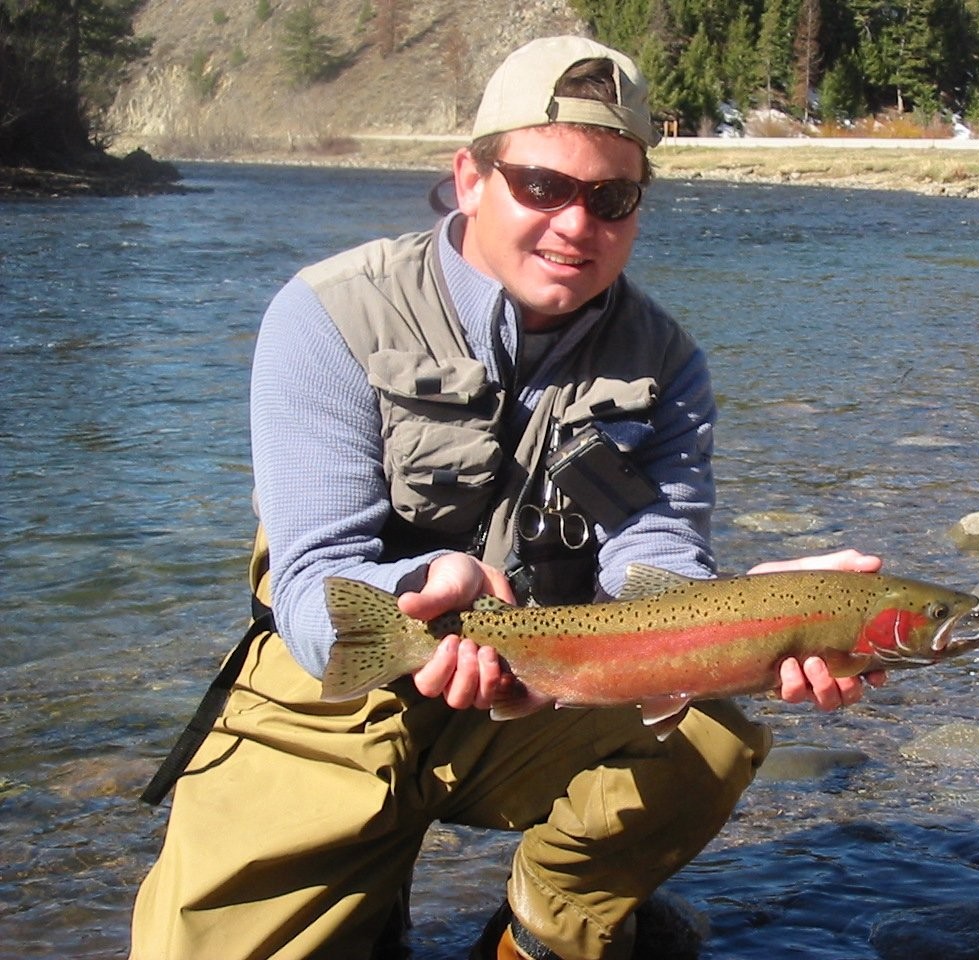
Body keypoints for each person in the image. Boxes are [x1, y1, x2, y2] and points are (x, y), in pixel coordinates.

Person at [129, 34, 883, 960]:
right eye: (543, 186)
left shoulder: (667, 361)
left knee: (709, 740)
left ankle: (540, 927)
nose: (577, 224)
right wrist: (419, 596)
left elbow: (659, 563)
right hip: (325, 695)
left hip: (554, 674)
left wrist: (762, 619)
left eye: (612, 198)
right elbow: (311, 585)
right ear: (471, 176)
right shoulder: (330, 312)